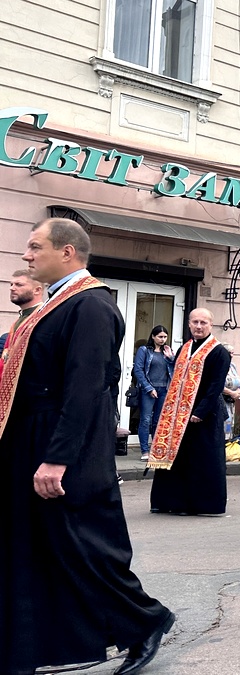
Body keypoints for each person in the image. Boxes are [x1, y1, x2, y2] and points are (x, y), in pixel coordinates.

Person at [2, 218, 173, 674]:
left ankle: (146, 621)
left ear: (68, 252)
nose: (26, 255)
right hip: (32, 440)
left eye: (35, 246)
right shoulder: (53, 304)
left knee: (82, 546)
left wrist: (56, 459)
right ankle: (30, 645)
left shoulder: (92, 306)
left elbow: (84, 389)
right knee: (36, 547)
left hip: (63, 448)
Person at [148, 308, 233, 516]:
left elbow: (215, 386)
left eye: (203, 322)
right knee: (179, 458)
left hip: (204, 415)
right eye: (195, 322)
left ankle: (201, 504)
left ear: (211, 325)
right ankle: (171, 501)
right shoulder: (184, 348)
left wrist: (201, 411)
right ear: (189, 324)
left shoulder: (218, 352)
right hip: (178, 415)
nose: (199, 326)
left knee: (200, 461)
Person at [133, 325, 174, 461]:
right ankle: (145, 451)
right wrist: (148, 388)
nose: (163, 340)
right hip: (148, 390)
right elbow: (138, 370)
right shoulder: (144, 350)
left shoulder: (167, 351)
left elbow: (175, 370)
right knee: (145, 420)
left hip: (163, 389)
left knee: (158, 421)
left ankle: (156, 449)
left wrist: (170, 358)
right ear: (153, 336)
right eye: (160, 337)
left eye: (165, 337)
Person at [0, 268, 43, 354]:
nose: (12, 288)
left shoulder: (45, 316)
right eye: (11, 284)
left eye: (18, 285)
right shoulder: (22, 318)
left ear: (37, 290)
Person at [221, 345, 240, 441]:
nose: (231, 355)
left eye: (233, 353)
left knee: (229, 423)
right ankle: (222, 443)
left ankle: (228, 441)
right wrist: (230, 392)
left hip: (231, 402)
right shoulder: (219, 366)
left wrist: (238, 391)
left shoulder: (233, 366)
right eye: (229, 353)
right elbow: (217, 384)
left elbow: (239, 382)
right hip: (222, 400)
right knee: (223, 423)